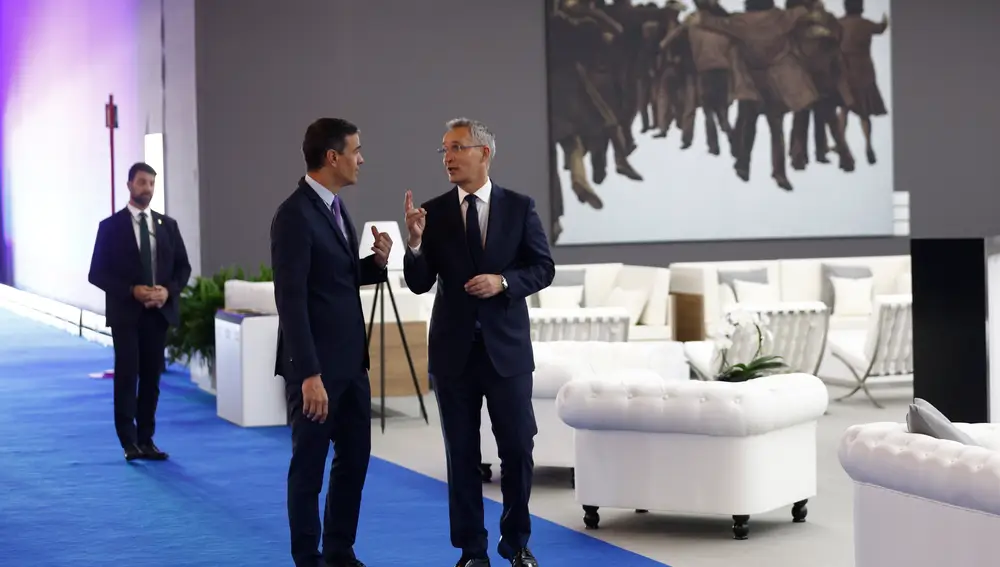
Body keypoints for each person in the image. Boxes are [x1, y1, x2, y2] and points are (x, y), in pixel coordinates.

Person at [403, 118, 554, 567]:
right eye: (444, 150)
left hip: (507, 354)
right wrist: (413, 244)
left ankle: (517, 543)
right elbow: (418, 283)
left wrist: (503, 281)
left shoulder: (519, 207)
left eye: (456, 148)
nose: (447, 158)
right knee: (462, 455)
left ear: (484, 153)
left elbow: (543, 268)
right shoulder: (433, 212)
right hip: (453, 356)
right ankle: (473, 551)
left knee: (517, 450)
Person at [270, 117, 392, 567]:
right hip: (316, 371)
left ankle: (340, 550)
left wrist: (374, 265)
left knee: (354, 459)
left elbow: (336, 280)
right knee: (309, 468)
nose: (362, 159)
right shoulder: (293, 214)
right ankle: (308, 556)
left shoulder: (337, 209)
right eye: (357, 150)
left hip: (350, 368)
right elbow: (292, 299)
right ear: (332, 157)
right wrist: (309, 374)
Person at [87, 161, 192, 462]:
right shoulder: (110, 227)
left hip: (157, 314)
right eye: (142, 182)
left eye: (151, 184)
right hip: (126, 314)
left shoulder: (167, 226)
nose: (147, 188)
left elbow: (183, 267)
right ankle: (128, 440)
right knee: (127, 374)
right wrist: (131, 290)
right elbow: (97, 273)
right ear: (130, 185)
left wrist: (168, 291)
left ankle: (147, 438)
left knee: (151, 377)